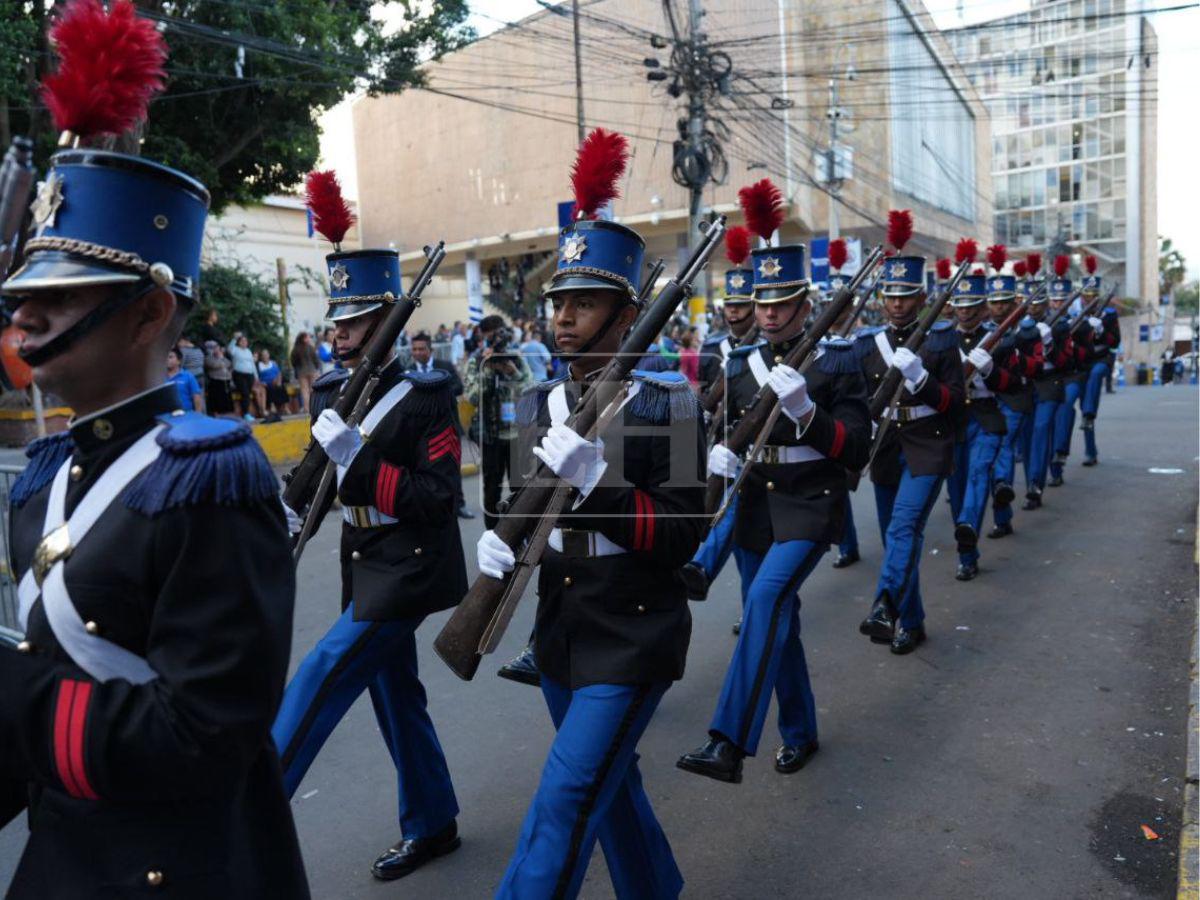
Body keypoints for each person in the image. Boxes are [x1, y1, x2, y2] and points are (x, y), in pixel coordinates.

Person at [0, 123, 307, 894]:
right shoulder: (42, 481)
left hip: (174, 870)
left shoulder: (210, 480)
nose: (24, 320)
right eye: (23, 296)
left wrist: (9, 691)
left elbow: (205, 737)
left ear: (148, 314)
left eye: (58, 297)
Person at [477, 177, 705, 900]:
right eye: (559, 302)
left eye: (584, 303)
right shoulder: (533, 404)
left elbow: (683, 534)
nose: (564, 317)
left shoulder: (673, 403)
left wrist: (598, 484)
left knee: (565, 800)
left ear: (628, 316)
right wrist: (502, 543)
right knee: (611, 789)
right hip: (560, 629)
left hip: (634, 630)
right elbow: (520, 506)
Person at [275, 233, 467, 882]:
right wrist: (291, 510)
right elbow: (317, 477)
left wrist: (360, 460)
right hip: (361, 561)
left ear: (388, 321)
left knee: (321, 671)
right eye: (337, 319)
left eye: (355, 320)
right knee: (394, 696)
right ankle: (433, 822)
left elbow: (438, 498)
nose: (340, 332)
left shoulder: (427, 395)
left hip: (409, 563)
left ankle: (244, 810)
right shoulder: (329, 390)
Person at [677, 239, 870, 783]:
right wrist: (718, 455)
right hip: (755, 507)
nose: (768, 314)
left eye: (781, 304)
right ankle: (800, 731)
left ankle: (729, 741)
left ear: (805, 306)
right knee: (774, 622)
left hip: (810, 504)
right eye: (763, 303)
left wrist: (808, 412)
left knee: (764, 601)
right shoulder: (742, 364)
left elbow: (857, 447)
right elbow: (724, 425)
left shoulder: (838, 360)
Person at [855, 242, 965, 654]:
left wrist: (922, 380)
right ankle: (913, 621)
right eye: (891, 296)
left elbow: (957, 405)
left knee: (904, 527)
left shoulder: (942, 340)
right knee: (895, 539)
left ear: (921, 297)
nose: (898, 304)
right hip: (886, 446)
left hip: (928, 445)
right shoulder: (867, 344)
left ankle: (885, 606)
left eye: (906, 295)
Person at [945, 270, 1024, 581]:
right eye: (960, 306)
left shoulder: (1000, 339)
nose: (965, 312)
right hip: (953, 420)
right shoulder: (942, 340)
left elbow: (1014, 384)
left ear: (982, 308)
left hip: (985, 417)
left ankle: (968, 535)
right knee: (956, 487)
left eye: (971, 306)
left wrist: (990, 370)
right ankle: (967, 551)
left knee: (978, 474)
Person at [463, 314, 533, 528]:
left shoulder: (516, 358)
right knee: (491, 489)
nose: (495, 342)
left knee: (519, 488)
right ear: (483, 338)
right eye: (490, 338)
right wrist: (488, 369)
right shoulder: (477, 361)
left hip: (516, 435)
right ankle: (492, 534)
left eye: (498, 336)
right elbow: (472, 398)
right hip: (490, 436)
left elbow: (531, 391)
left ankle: (520, 533)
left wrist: (513, 372)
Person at [988, 270, 1042, 539]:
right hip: (986, 399)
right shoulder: (981, 330)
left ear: (1014, 303)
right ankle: (1001, 516)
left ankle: (1003, 495)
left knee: (1004, 445)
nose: (999, 307)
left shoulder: (1028, 332)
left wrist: (1017, 353)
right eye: (994, 302)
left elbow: (1037, 367)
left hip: (1016, 397)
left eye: (1004, 302)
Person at [1023, 260, 1075, 509]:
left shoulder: (1060, 326)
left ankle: (1035, 484)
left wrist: (1049, 345)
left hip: (1049, 382)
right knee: (1026, 438)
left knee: (1042, 429)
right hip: (1024, 385)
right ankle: (1033, 479)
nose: (1034, 307)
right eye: (1030, 303)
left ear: (1046, 303)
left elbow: (1066, 362)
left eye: (1038, 302)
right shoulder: (1017, 326)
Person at [408, 331, 474, 520]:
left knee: (452, 468)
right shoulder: (408, 370)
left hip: (446, 428)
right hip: (419, 431)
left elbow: (458, 387)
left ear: (430, 350)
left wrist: (434, 393)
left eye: (421, 349)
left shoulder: (444, 367)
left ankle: (459, 505)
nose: (417, 352)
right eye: (414, 349)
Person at [229, 333, 258, 421]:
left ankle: (247, 413)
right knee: (245, 393)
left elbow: (252, 364)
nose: (244, 342)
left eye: (245, 341)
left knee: (247, 393)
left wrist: (256, 376)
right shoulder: (235, 349)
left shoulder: (248, 351)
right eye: (242, 341)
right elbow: (229, 349)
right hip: (239, 375)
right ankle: (245, 413)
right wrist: (234, 338)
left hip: (250, 375)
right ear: (238, 342)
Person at [166, 347, 204, 412]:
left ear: (179, 361)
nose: (167, 359)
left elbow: (196, 397)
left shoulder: (188, 376)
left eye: (170, 357)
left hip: (186, 415)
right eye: (165, 357)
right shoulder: (159, 376)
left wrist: (198, 415)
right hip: (165, 416)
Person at [291, 332, 321, 413]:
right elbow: (315, 359)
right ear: (303, 339)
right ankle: (314, 407)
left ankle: (306, 408)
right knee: (313, 390)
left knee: (304, 390)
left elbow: (293, 361)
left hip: (301, 372)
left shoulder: (296, 349)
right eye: (307, 337)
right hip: (312, 370)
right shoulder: (310, 347)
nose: (309, 339)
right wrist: (317, 367)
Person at [204, 339, 235, 416]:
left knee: (227, 402)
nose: (217, 349)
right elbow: (214, 365)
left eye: (217, 347)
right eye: (214, 347)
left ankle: (227, 416)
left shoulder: (223, 357)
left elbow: (229, 364)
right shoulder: (208, 358)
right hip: (216, 382)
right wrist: (220, 358)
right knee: (216, 402)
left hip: (226, 381)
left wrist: (222, 358)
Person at [256, 348, 288, 421]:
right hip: (265, 383)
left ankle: (285, 407)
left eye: (266, 354)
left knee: (282, 387)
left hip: (276, 381)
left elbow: (279, 373)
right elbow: (257, 377)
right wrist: (262, 383)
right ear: (261, 357)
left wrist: (278, 380)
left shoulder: (273, 363)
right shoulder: (259, 365)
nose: (265, 356)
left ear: (269, 355)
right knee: (270, 388)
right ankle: (273, 407)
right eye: (263, 355)